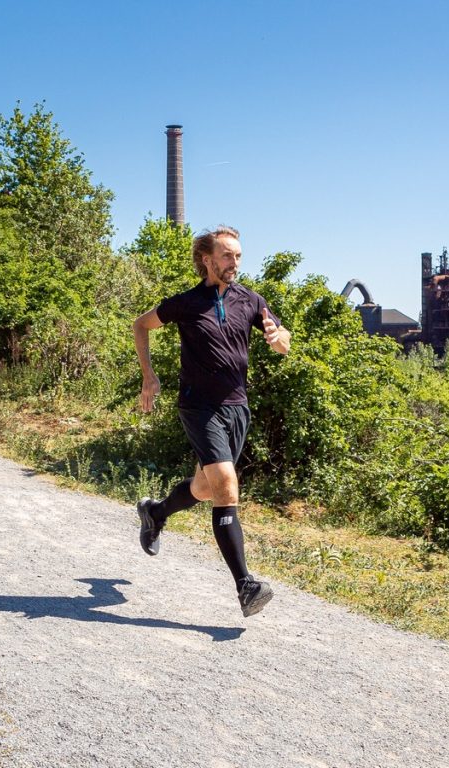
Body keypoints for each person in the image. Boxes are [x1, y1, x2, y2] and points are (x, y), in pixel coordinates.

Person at [131, 225, 290, 617]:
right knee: (226, 484)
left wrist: (278, 339)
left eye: (237, 255)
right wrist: (149, 377)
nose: (234, 262)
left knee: (205, 487)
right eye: (227, 255)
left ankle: (156, 512)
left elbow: (283, 340)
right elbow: (140, 324)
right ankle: (246, 586)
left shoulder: (251, 301)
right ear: (207, 260)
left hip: (237, 407)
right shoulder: (186, 303)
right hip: (198, 406)